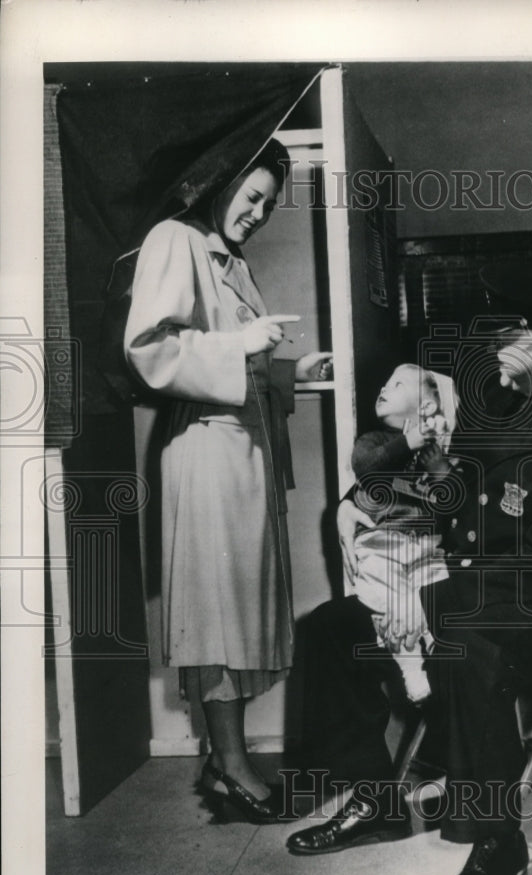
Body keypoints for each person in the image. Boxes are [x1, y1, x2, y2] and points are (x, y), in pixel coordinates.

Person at [287, 265, 532, 875]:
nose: (495, 363)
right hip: (465, 590)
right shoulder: (507, 408)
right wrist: (391, 496)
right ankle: (376, 797)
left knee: (466, 640)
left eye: (507, 343)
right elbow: (460, 506)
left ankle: (500, 842)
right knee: (328, 629)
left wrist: (429, 603)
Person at [124, 137, 332, 823]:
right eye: (251, 196)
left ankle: (225, 754)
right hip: (207, 452)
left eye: (269, 205)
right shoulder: (173, 238)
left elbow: (231, 361)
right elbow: (150, 349)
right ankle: (234, 767)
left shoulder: (228, 259)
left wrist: (288, 373)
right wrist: (239, 346)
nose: (258, 213)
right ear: (219, 183)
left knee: (240, 610)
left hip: (241, 451)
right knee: (217, 614)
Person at [349, 363, 458, 702]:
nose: (384, 388)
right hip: (382, 543)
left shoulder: (438, 449)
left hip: (425, 544)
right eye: (386, 382)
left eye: (396, 385)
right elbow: (365, 468)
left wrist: (440, 469)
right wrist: (406, 442)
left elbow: (452, 503)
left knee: (440, 587)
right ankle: (411, 669)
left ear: (426, 407)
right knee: (390, 596)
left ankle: (439, 653)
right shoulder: (374, 441)